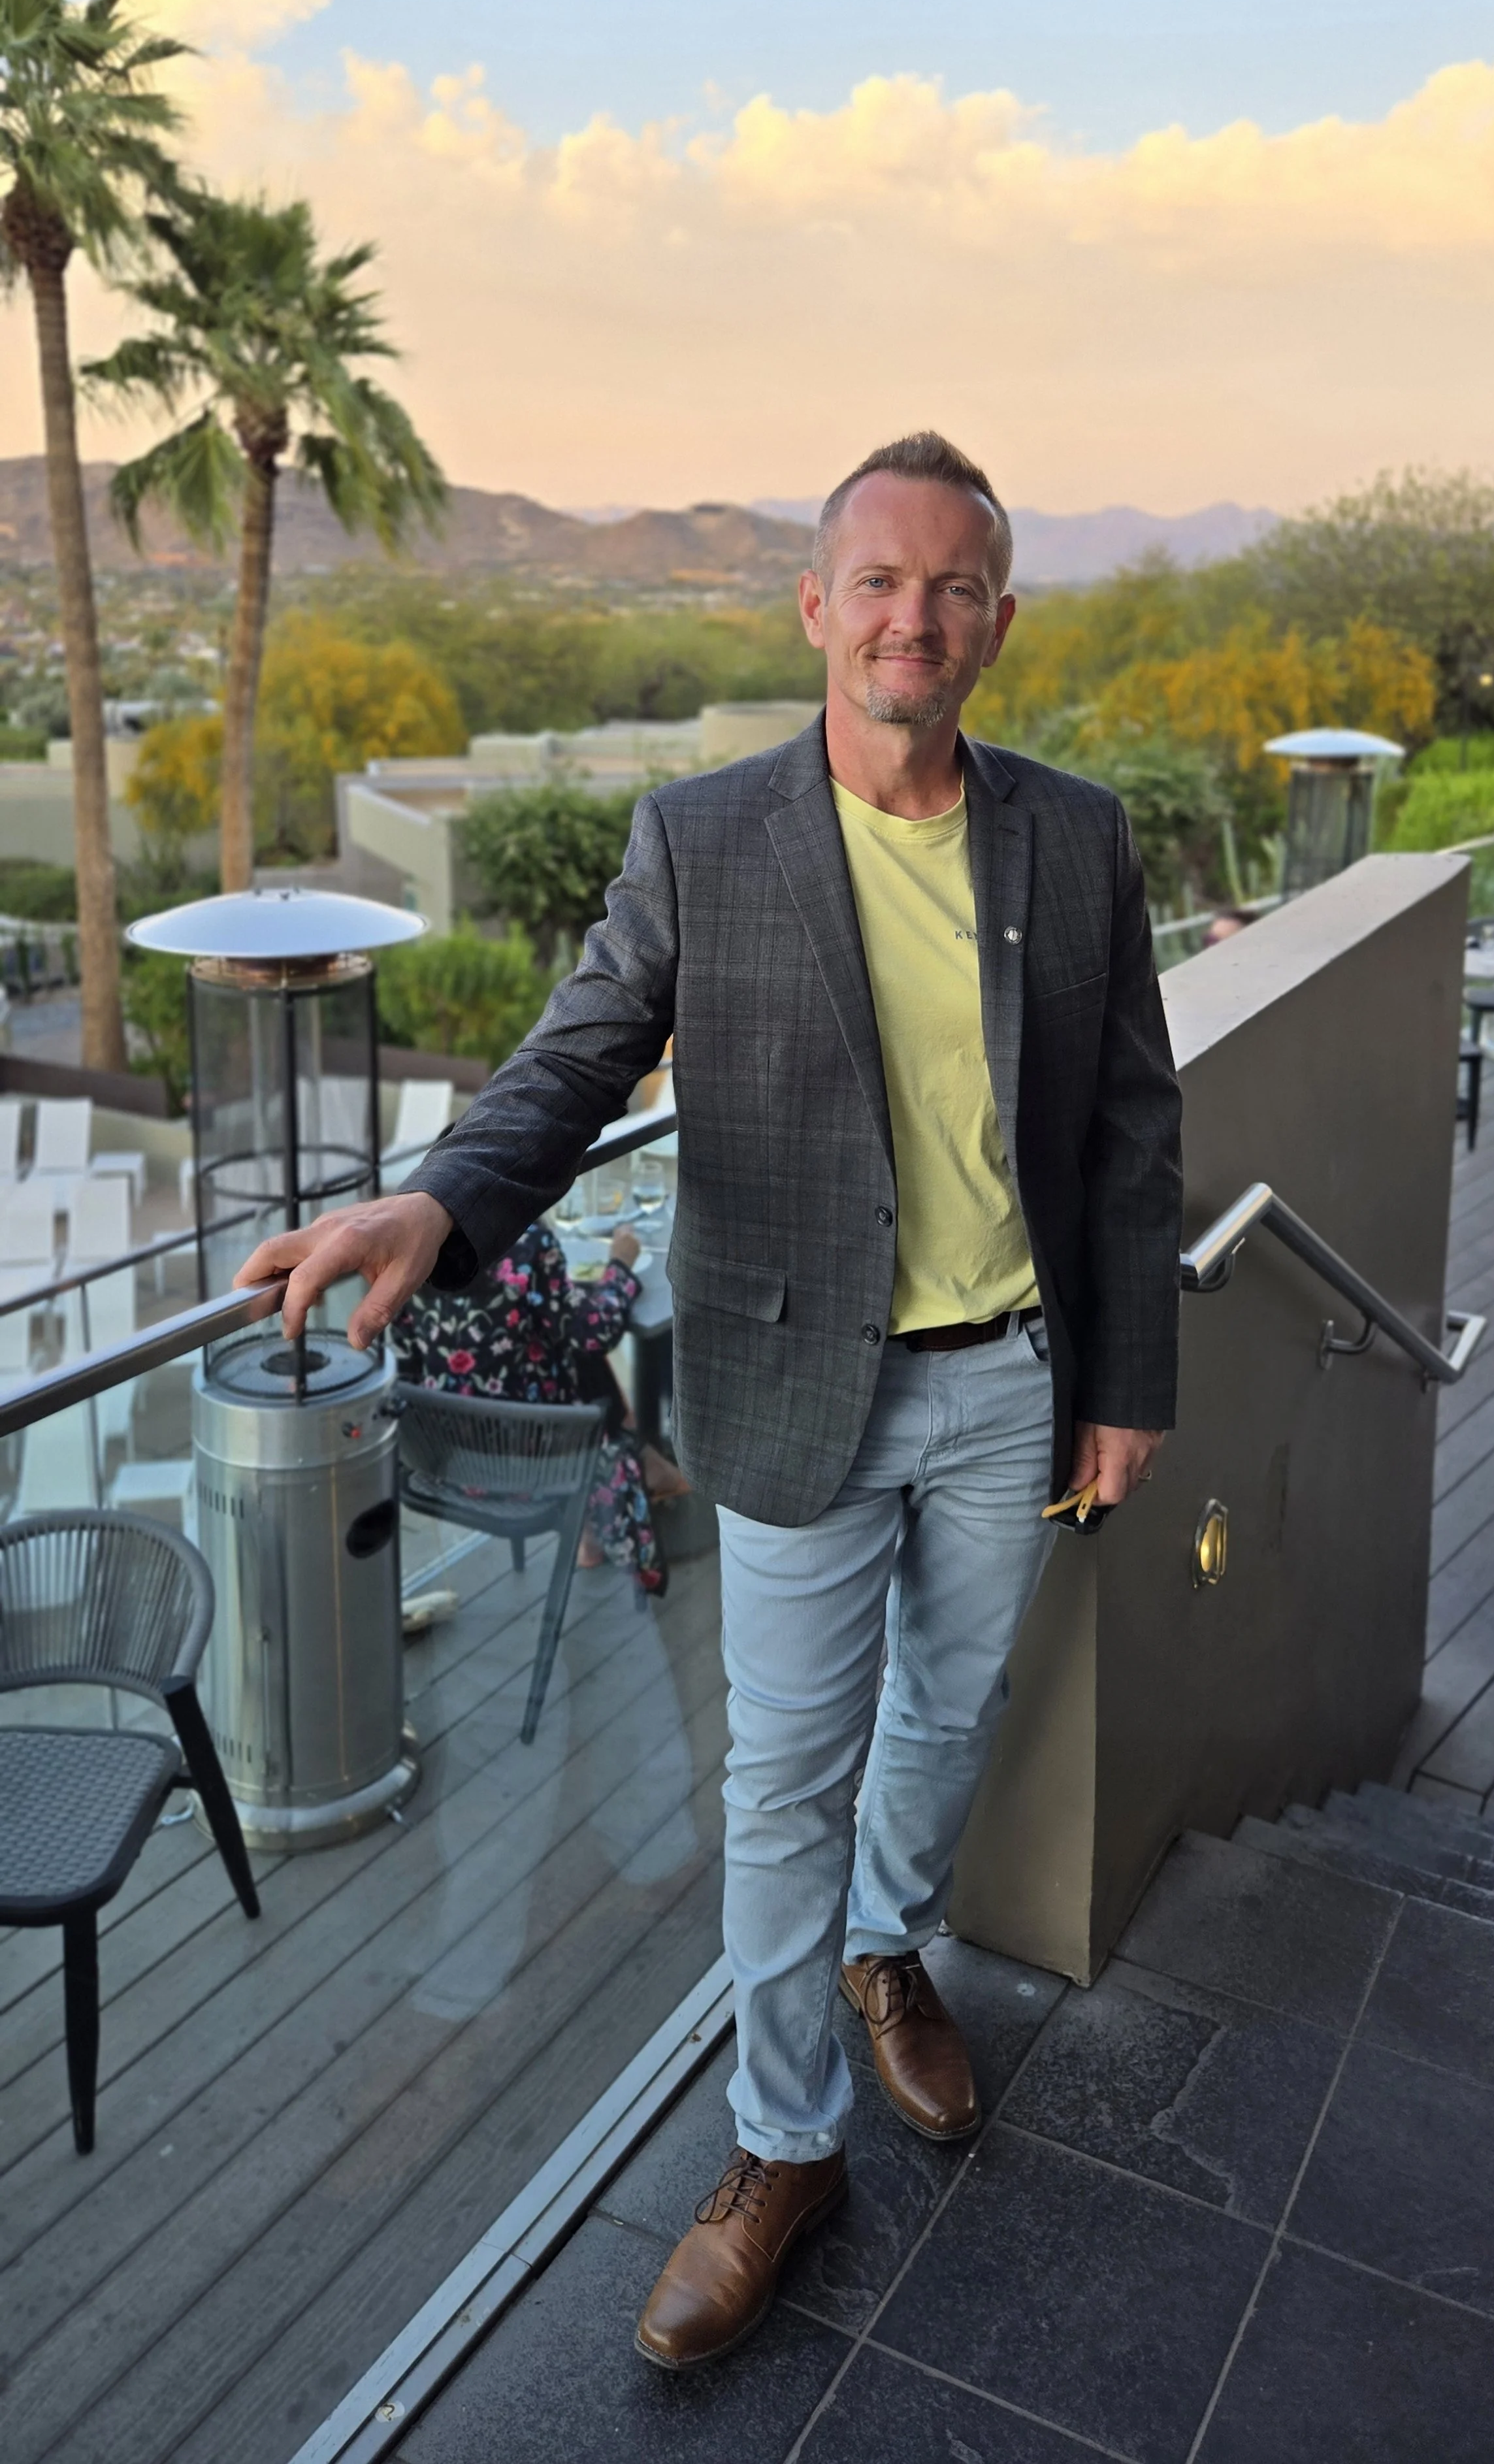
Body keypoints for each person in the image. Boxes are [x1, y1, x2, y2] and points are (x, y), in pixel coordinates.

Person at [236, 430, 1183, 2372]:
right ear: (814, 607)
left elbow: (1126, 1128)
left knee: (948, 1713)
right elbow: (577, 1055)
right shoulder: (706, 836)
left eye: (950, 585)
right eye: (877, 579)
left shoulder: (1072, 837)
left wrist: (1125, 1389)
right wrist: (436, 1196)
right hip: (783, 1391)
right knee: (776, 1780)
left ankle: (881, 1948)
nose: (909, 614)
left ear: (994, 621)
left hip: (1016, 1389)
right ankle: (776, 2149)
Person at [392, 1213, 678, 1591]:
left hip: (448, 1460)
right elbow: (595, 1332)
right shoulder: (526, 1245)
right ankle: (634, 1466)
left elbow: (404, 1364)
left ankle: (616, 1494)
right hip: (539, 1465)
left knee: (558, 1343)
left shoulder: (409, 1238)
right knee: (574, 1346)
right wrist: (621, 1265)